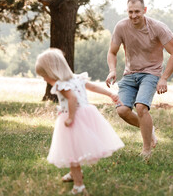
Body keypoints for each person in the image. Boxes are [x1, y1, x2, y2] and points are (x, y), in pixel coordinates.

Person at [36, 48, 124, 195]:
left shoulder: (61, 85)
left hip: (74, 118)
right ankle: (73, 174)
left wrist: (70, 117)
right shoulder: (77, 78)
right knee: (73, 149)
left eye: (44, 76)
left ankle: (79, 186)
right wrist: (110, 94)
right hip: (86, 114)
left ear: (52, 72)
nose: (44, 79)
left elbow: (72, 98)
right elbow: (92, 87)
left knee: (72, 153)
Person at [106, 0, 173, 158]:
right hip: (129, 74)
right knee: (122, 110)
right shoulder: (121, 27)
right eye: (130, 12)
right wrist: (112, 70)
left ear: (144, 10)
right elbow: (112, 52)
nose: (133, 16)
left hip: (150, 73)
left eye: (137, 12)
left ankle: (146, 150)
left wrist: (164, 78)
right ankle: (149, 129)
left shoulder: (157, 27)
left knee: (141, 107)